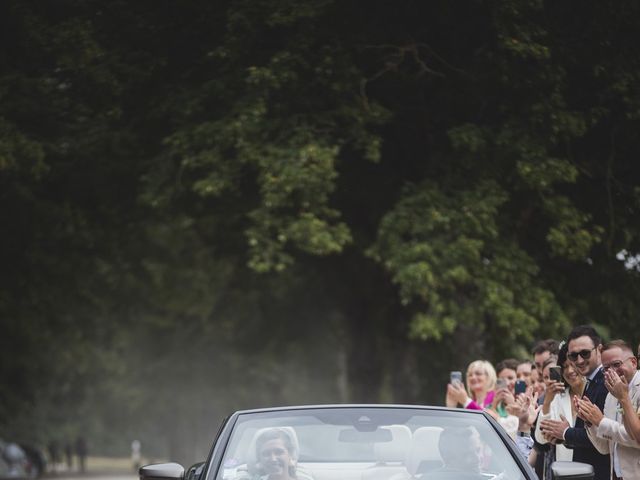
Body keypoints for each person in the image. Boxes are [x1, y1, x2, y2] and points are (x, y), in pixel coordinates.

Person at [538, 326, 610, 480]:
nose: (579, 361)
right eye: (573, 356)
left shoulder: (605, 383)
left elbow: (604, 439)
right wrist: (563, 438)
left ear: (599, 349)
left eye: (585, 353)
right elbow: (540, 437)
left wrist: (566, 433)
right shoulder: (592, 383)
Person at [577, 340, 640, 480]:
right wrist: (590, 421)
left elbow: (637, 438)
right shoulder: (610, 396)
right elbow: (604, 448)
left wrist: (601, 421)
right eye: (606, 368)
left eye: (617, 364)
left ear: (633, 362)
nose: (612, 371)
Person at [535, 346, 585, 479]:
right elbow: (541, 438)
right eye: (564, 367)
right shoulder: (557, 398)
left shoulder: (595, 392)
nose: (569, 371)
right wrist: (547, 401)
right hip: (565, 473)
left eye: (573, 365)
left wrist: (567, 432)